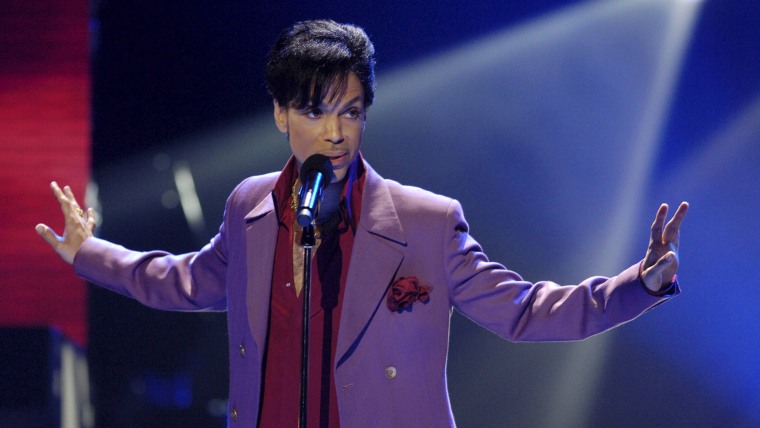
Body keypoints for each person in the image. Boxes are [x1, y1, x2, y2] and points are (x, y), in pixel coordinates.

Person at [36, 19, 688, 428]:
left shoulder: (427, 223)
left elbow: (525, 310)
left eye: (351, 111)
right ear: (281, 114)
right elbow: (181, 282)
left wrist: (641, 284)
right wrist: (88, 251)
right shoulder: (250, 207)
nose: (336, 131)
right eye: (317, 111)